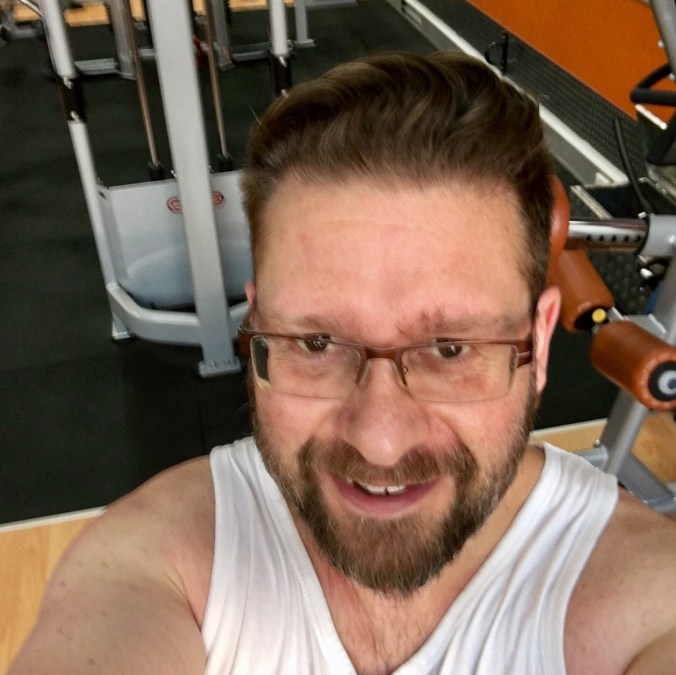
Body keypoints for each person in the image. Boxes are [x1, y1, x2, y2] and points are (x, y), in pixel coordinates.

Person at [9, 50, 676, 675]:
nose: (380, 441)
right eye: (317, 343)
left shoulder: (649, 598)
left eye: (450, 349)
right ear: (257, 323)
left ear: (540, 341)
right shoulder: (156, 562)